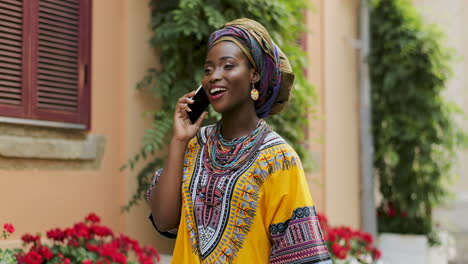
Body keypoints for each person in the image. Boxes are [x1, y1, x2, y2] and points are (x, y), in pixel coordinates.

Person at [146, 18, 331, 264]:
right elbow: (164, 220)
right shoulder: (194, 146)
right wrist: (179, 140)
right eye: (208, 69)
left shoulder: (279, 160)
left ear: (254, 74)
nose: (214, 77)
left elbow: (302, 257)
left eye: (227, 66)